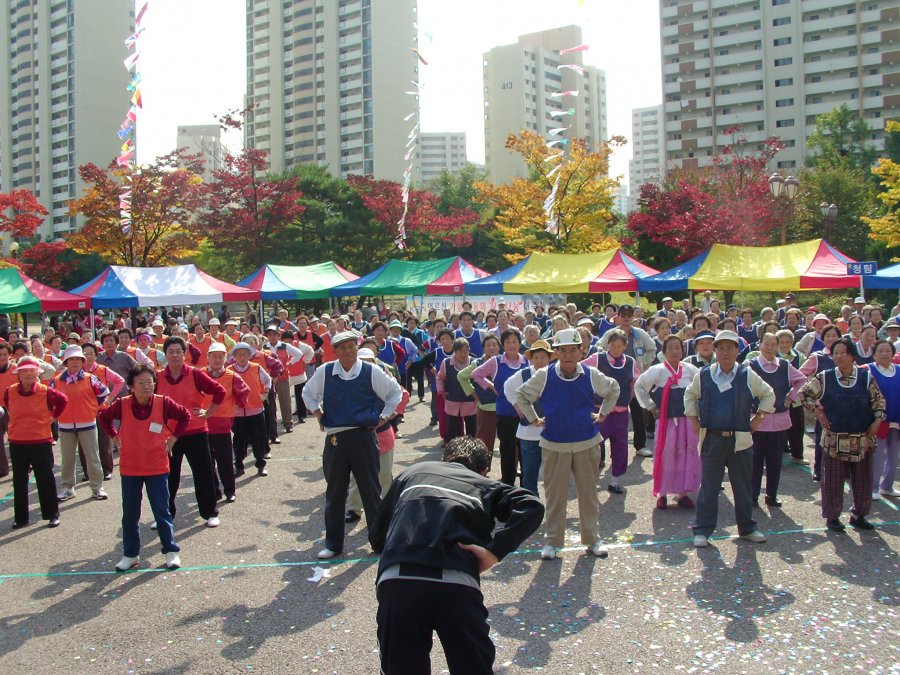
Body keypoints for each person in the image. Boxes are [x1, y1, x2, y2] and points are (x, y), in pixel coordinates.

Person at [370, 436, 544, 675]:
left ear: (445, 458)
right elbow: (532, 505)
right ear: (484, 469)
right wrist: (494, 551)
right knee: (473, 667)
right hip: (456, 582)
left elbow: (377, 536)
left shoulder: (412, 474)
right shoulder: (484, 485)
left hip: (399, 578)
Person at [514, 328, 620, 560]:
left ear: (582, 351)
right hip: (554, 444)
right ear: (556, 353)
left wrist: (603, 413)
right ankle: (552, 541)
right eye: (563, 350)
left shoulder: (591, 374)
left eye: (574, 349)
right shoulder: (544, 374)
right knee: (554, 495)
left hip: (587, 442)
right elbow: (522, 395)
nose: (569, 355)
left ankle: (593, 538)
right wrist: (533, 419)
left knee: (589, 494)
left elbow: (613, 389)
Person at [302, 331, 403, 560]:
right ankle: (334, 544)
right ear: (335, 351)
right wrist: (317, 413)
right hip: (336, 438)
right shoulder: (326, 371)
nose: (348, 351)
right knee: (335, 492)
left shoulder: (370, 371)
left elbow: (395, 392)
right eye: (342, 347)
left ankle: (379, 541)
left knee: (371, 490)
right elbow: (308, 393)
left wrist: (384, 416)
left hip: (363, 437)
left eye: (351, 346)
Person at [684, 330, 774, 548]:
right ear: (715, 351)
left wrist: (759, 417)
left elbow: (768, 393)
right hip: (713, 438)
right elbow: (689, 395)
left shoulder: (747, 374)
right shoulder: (704, 374)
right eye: (721, 348)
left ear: (737, 351)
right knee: (709, 486)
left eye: (729, 348)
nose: (725, 352)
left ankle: (747, 528)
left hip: (740, 439)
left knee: (743, 486)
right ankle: (702, 530)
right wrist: (693, 420)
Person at [99, 364, 192, 571]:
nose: (146, 386)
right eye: (141, 383)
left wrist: (173, 438)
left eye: (150, 382)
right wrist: (115, 436)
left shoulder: (163, 403)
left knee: (162, 511)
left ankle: (170, 551)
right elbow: (103, 417)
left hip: (157, 466)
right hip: (131, 467)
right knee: (130, 514)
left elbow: (185, 416)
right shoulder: (122, 405)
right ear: (131, 386)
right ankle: (130, 554)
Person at [800, 336, 885, 531]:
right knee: (832, 481)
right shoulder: (825, 377)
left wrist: (877, 421)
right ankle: (832, 517)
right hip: (834, 439)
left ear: (852, 356)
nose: (838, 356)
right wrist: (819, 412)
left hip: (862, 438)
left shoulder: (865, 377)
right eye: (835, 353)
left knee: (863, 479)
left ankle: (859, 515)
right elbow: (803, 394)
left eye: (842, 353)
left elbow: (879, 401)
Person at [155, 336, 226, 528]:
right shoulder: (158, 377)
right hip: (170, 435)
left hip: (196, 431)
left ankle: (210, 512)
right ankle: (165, 513)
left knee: (203, 473)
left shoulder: (195, 374)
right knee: (168, 476)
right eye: (171, 351)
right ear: (165, 354)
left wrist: (208, 412)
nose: (175, 355)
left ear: (185, 354)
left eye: (179, 351)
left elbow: (220, 391)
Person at [635, 335, 701, 509]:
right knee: (666, 455)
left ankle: (682, 493)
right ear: (663, 352)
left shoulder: (691, 370)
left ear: (683, 350)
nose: (674, 351)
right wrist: (650, 406)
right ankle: (662, 493)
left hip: (687, 420)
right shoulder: (657, 370)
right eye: (670, 348)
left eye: (678, 347)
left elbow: (702, 388)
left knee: (686, 454)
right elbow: (639, 386)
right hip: (666, 421)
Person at [346, 348, 410, 523]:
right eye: (362, 361)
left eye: (369, 361)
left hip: (382, 434)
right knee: (357, 476)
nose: (365, 364)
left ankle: (386, 508)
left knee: (384, 475)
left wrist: (390, 415)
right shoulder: (349, 381)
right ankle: (354, 508)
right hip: (357, 436)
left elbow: (403, 395)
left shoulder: (384, 380)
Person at [5, 356, 68, 529]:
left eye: (32, 371)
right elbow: (6, 407)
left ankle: (52, 514)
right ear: (18, 374)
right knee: (19, 480)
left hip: (40, 440)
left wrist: (53, 417)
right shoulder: (9, 391)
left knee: (45, 478)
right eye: (24, 371)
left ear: (37, 373)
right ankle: (21, 518)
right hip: (17, 441)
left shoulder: (45, 390)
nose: (28, 374)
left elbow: (63, 400)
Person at [746, 333, 807, 508]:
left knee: (774, 462)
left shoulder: (785, 366)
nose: (770, 347)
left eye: (774, 344)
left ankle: (771, 495)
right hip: (755, 422)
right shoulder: (750, 365)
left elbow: (802, 380)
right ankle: (752, 495)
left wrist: (790, 398)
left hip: (779, 422)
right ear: (760, 344)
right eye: (767, 344)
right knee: (754, 462)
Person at [582, 329, 641, 493]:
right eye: (613, 346)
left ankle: (615, 480)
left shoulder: (630, 362)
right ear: (608, 344)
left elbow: (636, 382)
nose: (615, 349)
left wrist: (630, 397)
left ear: (625, 346)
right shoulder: (597, 358)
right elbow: (580, 370)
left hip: (621, 413)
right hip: (599, 411)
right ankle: (589, 480)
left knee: (620, 446)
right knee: (593, 446)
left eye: (619, 346)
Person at [51, 346, 112, 502]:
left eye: (78, 359)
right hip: (65, 425)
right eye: (71, 359)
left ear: (83, 361)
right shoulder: (57, 381)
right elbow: (50, 400)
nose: (75, 362)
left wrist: (93, 409)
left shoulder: (90, 378)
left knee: (93, 457)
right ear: (65, 362)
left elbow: (103, 394)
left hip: (87, 422)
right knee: (67, 458)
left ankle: (97, 487)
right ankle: (68, 488)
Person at [597, 304, 657, 457]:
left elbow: (652, 348)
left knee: (637, 413)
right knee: (608, 413)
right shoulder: (611, 333)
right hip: (612, 379)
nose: (626, 317)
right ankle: (602, 451)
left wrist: (645, 361)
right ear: (617, 316)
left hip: (634, 379)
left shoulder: (639, 333)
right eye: (622, 314)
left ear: (633, 316)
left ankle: (640, 445)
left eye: (629, 314)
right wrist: (606, 360)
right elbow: (598, 347)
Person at [471, 329, 528, 486]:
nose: (511, 345)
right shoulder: (496, 361)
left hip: (526, 413)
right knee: (508, 450)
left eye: (515, 341)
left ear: (519, 343)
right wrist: (489, 385)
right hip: (505, 413)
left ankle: (526, 484)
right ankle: (508, 484)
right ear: (503, 344)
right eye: (508, 342)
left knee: (525, 449)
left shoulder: (526, 361)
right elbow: (476, 374)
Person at [504, 339, 555, 495]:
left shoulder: (555, 373)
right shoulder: (524, 374)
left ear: (549, 358)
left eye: (543, 357)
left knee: (553, 473)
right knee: (529, 473)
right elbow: (507, 387)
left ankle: (554, 505)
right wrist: (517, 404)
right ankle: (531, 505)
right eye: (536, 357)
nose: (540, 361)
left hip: (552, 432)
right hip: (529, 433)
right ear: (531, 359)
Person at [203, 342, 250, 501]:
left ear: (225, 358)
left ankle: (230, 490)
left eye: (220, 356)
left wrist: (239, 404)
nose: (217, 360)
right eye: (214, 356)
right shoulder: (200, 374)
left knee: (225, 460)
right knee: (207, 461)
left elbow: (244, 392)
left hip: (223, 424)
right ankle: (214, 491)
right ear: (207, 357)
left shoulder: (231, 376)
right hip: (202, 424)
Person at [230, 341, 273, 478]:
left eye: (245, 354)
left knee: (259, 438)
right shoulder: (229, 370)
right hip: (237, 411)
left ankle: (261, 465)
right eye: (239, 355)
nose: (242, 357)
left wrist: (265, 393)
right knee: (239, 440)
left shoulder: (256, 367)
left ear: (249, 355)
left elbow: (268, 380)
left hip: (255, 409)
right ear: (234, 356)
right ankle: (239, 466)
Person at [457, 333, 501, 455]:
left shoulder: (504, 361)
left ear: (499, 347)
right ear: (483, 348)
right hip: (486, 408)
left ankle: (511, 471)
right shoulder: (477, 363)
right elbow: (461, 376)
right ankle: (482, 469)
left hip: (506, 408)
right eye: (488, 345)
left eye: (494, 345)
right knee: (484, 442)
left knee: (509, 441)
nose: (491, 348)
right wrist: (474, 394)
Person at [869, 339, 900, 500]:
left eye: (887, 351)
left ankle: (887, 486)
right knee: (878, 455)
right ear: (874, 354)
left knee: (894, 455)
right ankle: (873, 487)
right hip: (879, 420)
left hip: (897, 418)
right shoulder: (869, 370)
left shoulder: (899, 370)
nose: (884, 354)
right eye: (880, 351)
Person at [437, 338, 476, 443]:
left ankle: (471, 451)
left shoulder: (474, 363)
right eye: (460, 351)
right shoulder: (446, 363)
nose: (463, 354)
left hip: (470, 401)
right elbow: (440, 378)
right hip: (452, 401)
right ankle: (454, 451)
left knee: (472, 429)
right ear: (454, 351)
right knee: (453, 429)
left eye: (465, 351)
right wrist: (442, 392)